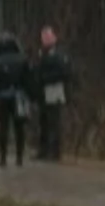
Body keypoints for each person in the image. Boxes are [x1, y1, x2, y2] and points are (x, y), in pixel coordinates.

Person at [0, 33, 31, 167]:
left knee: (3, 128)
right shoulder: (23, 60)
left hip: (2, 98)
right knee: (19, 128)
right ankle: (19, 157)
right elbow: (29, 81)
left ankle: (3, 158)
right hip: (20, 97)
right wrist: (31, 97)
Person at [34, 25, 72, 160]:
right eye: (44, 37)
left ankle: (55, 152)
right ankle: (43, 150)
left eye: (48, 37)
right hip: (43, 91)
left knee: (53, 122)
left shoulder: (59, 54)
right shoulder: (41, 54)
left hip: (54, 89)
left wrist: (46, 78)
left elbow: (64, 72)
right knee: (43, 121)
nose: (46, 40)